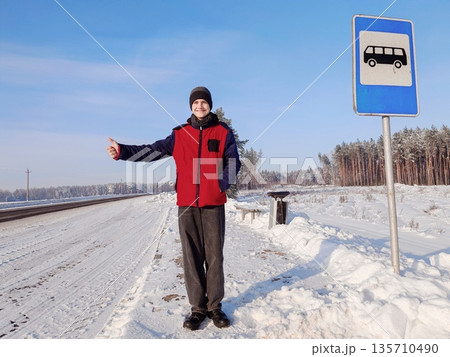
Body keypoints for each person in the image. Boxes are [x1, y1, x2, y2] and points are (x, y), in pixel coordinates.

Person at [106, 86, 241, 331]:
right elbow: (151, 151)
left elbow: (233, 161)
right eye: (196, 103)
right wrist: (122, 151)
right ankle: (198, 309)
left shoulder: (223, 132)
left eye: (204, 102)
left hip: (213, 205)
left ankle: (215, 307)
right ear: (191, 106)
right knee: (191, 257)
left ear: (210, 105)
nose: (200, 106)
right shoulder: (179, 134)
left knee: (214, 257)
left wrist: (221, 185)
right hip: (187, 204)